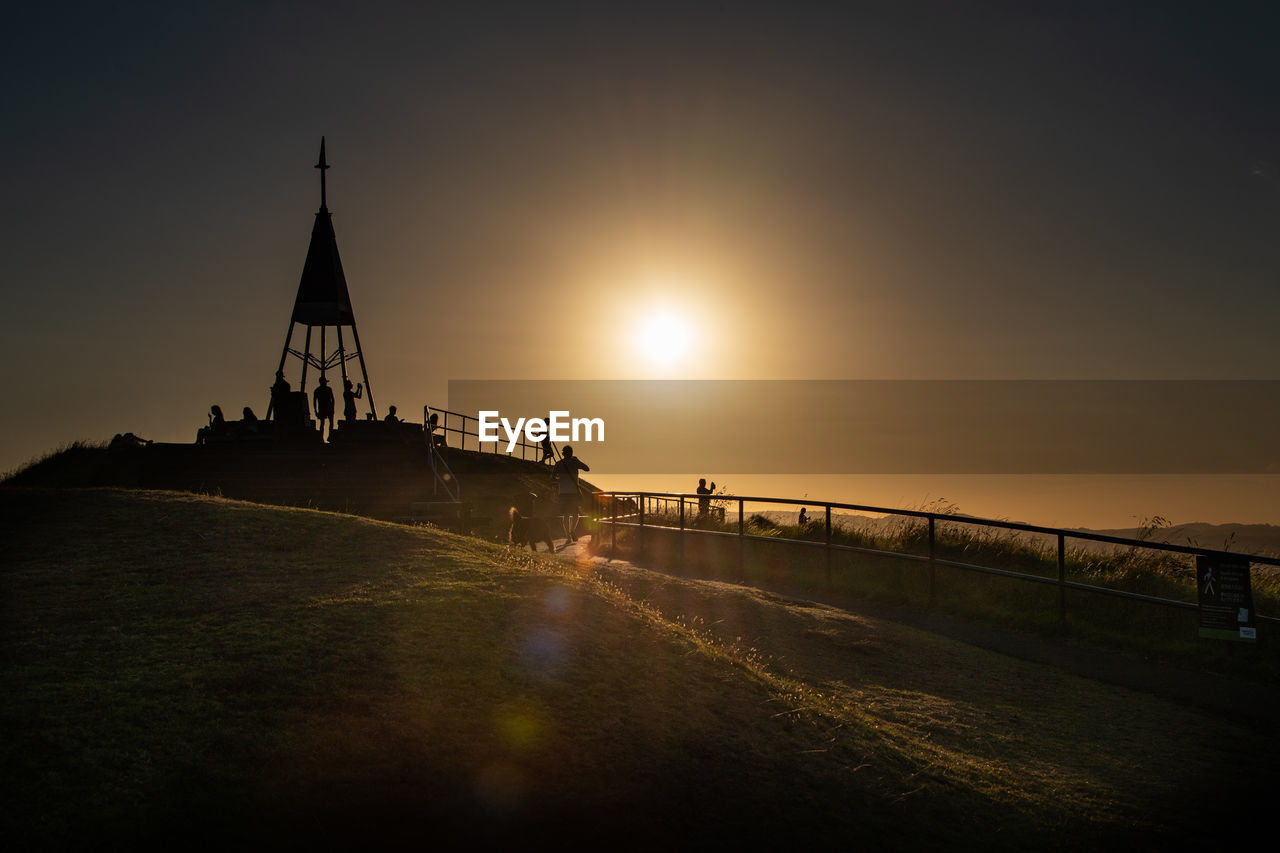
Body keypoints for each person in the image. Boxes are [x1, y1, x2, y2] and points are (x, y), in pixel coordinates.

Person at [554, 445, 590, 543]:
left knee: (565, 515)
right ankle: (572, 530)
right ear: (571, 453)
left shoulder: (558, 464)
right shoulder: (574, 462)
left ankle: (568, 537)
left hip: (563, 492)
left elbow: (553, 477)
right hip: (573, 492)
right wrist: (576, 461)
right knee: (575, 514)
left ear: (563, 453)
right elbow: (587, 468)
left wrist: (560, 479)